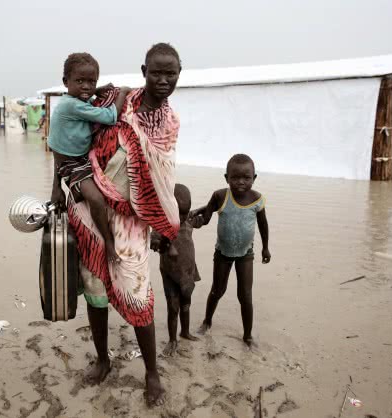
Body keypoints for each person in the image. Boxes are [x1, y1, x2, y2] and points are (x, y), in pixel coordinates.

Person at [65, 43, 182, 407]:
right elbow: (73, 142)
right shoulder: (114, 102)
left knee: (138, 295)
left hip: (132, 223)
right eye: (156, 72)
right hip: (90, 211)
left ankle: (151, 373)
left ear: (180, 74)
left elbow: (163, 180)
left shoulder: (169, 124)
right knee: (95, 289)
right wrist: (60, 185)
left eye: (171, 73)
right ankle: (103, 360)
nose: (163, 80)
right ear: (144, 70)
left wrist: (164, 226)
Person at [48, 52, 131, 264]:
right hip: (72, 163)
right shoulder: (72, 105)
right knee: (95, 199)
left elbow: (92, 97)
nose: (86, 86)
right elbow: (111, 117)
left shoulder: (76, 99)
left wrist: (98, 91)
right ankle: (109, 243)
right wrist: (122, 93)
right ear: (66, 82)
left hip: (79, 156)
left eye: (91, 82)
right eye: (80, 81)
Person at [190, 154, 271, 348]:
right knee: (217, 290)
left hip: (246, 254)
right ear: (227, 178)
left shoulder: (258, 200)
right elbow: (207, 216)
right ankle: (207, 321)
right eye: (235, 178)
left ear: (254, 178)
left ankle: (248, 335)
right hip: (223, 253)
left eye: (246, 177)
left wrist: (266, 247)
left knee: (245, 295)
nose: (241, 182)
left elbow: (263, 224)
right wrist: (196, 221)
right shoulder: (220, 196)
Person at [150, 184, 200, 357]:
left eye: (185, 212)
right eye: (178, 212)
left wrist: (207, 209)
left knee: (186, 304)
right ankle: (172, 340)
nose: (181, 217)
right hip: (170, 274)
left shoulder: (188, 221)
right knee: (173, 308)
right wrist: (162, 243)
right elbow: (153, 243)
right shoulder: (160, 225)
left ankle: (184, 332)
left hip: (187, 273)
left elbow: (202, 218)